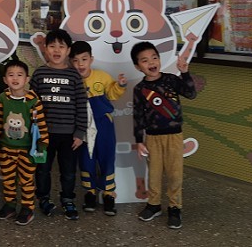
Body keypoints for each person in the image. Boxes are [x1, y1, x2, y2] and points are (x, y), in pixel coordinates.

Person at [130, 41, 197, 230]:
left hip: (174, 136)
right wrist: (139, 141)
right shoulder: (139, 89)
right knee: (154, 174)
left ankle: (175, 207)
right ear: (137, 66)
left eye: (154, 57)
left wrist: (185, 73)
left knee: (175, 174)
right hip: (152, 138)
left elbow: (191, 94)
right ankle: (154, 204)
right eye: (144, 60)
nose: (151, 62)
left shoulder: (171, 80)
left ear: (160, 59)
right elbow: (137, 116)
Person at [29, 29, 88, 220]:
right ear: (45, 49)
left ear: (68, 50)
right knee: (42, 170)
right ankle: (43, 199)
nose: (56, 50)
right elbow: (31, 103)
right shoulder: (39, 73)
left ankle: (68, 199)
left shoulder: (74, 76)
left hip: (69, 136)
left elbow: (81, 105)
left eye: (61, 46)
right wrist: (33, 130)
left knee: (69, 172)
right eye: (52, 46)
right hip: (43, 135)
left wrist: (79, 132)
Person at [69, 40, 127, 216]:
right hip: (82, 126)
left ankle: (109, 194)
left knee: (107, 157)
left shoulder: (102, 76)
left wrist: (120, 85)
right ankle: (90, 193)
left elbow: (112, 94)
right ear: (70, 62)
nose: (80, 64)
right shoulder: (71, 80)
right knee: (86, 159)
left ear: (91, 59)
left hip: (104, 124)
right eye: (75, 60)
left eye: (84, 59)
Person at [0, 60, 48, 226]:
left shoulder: (33, 101)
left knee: (26, 180)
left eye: (19, 75)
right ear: (5, 79)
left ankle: (27, 208)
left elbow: (41, 124)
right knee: (8, 179)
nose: (15, 78)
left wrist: (42, 144)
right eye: (11, 75)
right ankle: (9, 205)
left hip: (27, 150)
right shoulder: (3, 98)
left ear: (26, 79)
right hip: (6, 148)